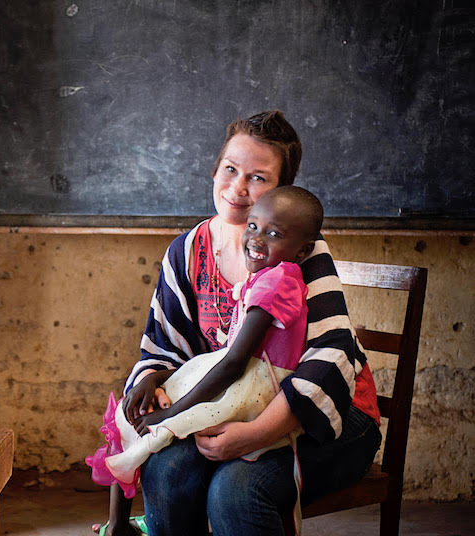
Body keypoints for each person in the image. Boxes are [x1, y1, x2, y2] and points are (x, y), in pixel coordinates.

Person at [99, 111, 381, 536]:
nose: (238, 188)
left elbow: (331, 355)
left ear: (282, 190)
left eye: (258, 178)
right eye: (230, 169)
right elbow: (165, 347)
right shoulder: (187, 252)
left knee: (235, 490)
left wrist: (253, 435)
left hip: (329, 416)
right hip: (232, 406)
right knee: (167, 471)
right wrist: (152, 379)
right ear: (215, 169)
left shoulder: (299, 252)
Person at [86, 186, 324, 535]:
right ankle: (121, 524)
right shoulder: (266, 276)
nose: (257, 239)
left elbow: (234, 363)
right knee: (140, 409)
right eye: (253, 226)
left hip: (254, 385)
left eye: (274, 234)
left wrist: (174, 411)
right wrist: (161, 376)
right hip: (245, 377)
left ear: (302, 249)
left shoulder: (277, 282)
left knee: (150, 428)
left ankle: (120, 524)